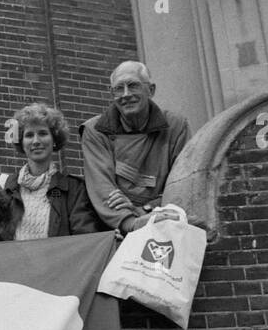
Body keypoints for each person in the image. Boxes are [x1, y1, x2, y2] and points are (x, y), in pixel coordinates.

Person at [81, 61, 192, 234]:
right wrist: (131, 223)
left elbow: (182, 184)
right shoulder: (95, 131)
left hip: (167, 224)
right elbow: (102, 188)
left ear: (151, 90)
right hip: (119, 230)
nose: (126, 94)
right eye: (119, 88)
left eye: (133, 86)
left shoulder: (176, 126)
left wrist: (146, 210)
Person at [0, 101, 100, 240]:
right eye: (29, 135)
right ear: (21, 143)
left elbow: (85, 238)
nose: (36, 141)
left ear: (54, 139)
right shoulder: (4, 188)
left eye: (42, 133)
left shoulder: (74, 190)